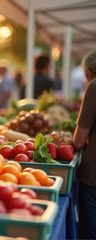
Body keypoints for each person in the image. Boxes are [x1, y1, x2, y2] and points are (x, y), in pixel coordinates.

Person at [73, 49, 96, 239]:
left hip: (94, 176)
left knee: (90, 233)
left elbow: (79, 141)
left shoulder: (94, 87)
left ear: (88, 71)